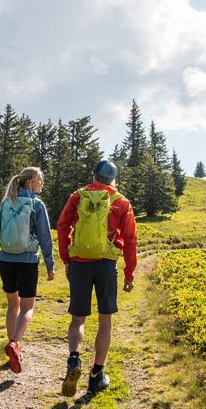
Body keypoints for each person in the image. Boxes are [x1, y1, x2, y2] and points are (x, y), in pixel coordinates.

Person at [56, 159, 137, 395]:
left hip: (80, 264)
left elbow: (63, 227)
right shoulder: (121, 202)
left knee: (78, 319)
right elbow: (131, 240)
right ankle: (96, 374)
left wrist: (67, 259)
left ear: (94, 175)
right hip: (106, 265)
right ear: (113, 179)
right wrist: (129, 273)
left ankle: (74, 360)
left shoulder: (78, 196)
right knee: (105, 320)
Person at [0, 166, 55, 374]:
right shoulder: (37, 204)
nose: (42, 184)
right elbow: (45, 238)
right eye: (39, 180)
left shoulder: (6, 202)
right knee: (27, 307)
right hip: (27, 261)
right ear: (30, 182)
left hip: (6, 261)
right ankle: (15, 344)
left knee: (12, 304)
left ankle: (12, 349)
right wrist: (50, 264)